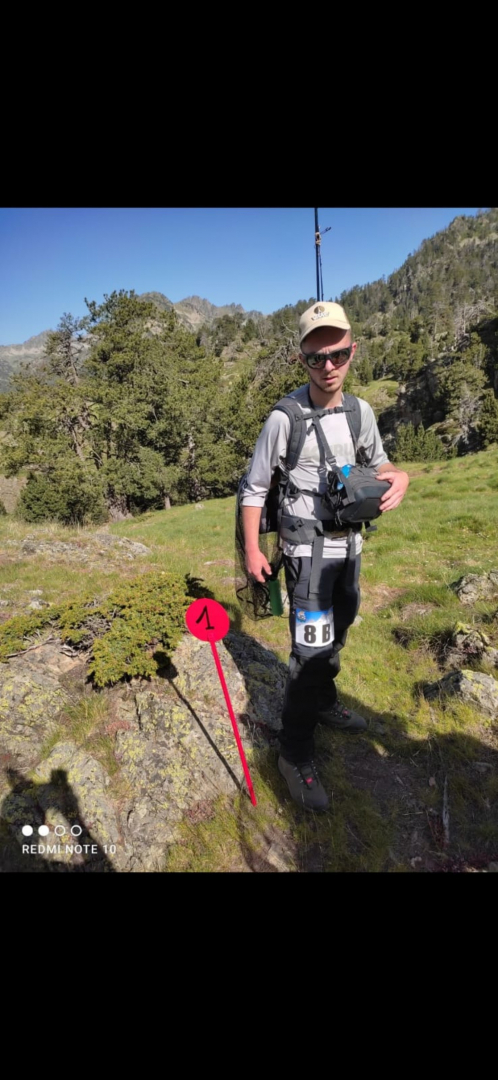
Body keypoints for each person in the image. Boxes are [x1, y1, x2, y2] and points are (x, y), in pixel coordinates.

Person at [240, 301, 409, 810]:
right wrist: (253, 549)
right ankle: (294, 753)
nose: (328, 366)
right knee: (309, 653)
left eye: (338, 354)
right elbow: (254, 487)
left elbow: (381, 465)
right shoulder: (284, 419)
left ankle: (326, 701)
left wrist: (400, 476)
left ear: (352, 351)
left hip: (350, 550)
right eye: (316, 358)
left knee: (340, 631)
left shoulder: (361, 412)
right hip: (307, 558)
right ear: (302, 360)